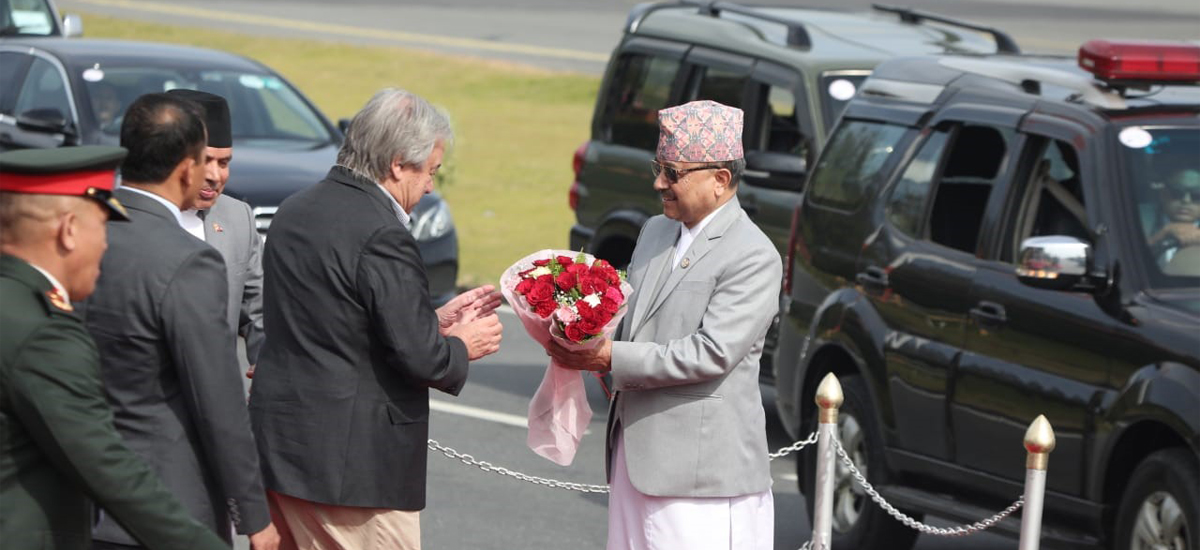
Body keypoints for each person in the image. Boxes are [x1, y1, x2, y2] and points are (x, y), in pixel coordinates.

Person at [249, 88, 503, 549]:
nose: (430, 187)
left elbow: (338, 319)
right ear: (398, 165)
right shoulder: (384, 233)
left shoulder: (294, 210)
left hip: (282, 450)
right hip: (352, 472)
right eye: (430, 171)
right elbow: (423, 359)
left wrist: (431, 320)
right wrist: (464, 343)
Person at [547, 100, 782, 550]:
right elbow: (631, 321)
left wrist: (609, 355)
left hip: (700, 482)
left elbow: (711, 353)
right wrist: (579, 334)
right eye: (659, 168)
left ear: (720, 179)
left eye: (673, 173)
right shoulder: (655, 232)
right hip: (634, 458)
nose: (659, 183)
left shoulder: (753, 255)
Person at [0, 146, 227, 550]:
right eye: (103, 227)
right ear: (68, 230)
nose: (106, 244)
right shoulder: (43, 334)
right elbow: (107, 467)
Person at [82, 93, 279, 550]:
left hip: (80, 494)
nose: (214, 175)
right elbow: (218, 399)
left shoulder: (84, 227)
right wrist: (253, 516)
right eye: (205, 160)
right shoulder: (189, 261)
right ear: (186, 166)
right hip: (164, 507)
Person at [165, 89, 265, 380]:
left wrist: (268, 369)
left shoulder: (238, 218)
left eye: (224, 163)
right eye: (205, 160)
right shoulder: (130, 217)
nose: (215, 175)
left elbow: (258, 310)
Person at [1147, 168, 1200, 274]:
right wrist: (1161, 234)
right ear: (1163, 195)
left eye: (1196, 195)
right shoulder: (1133, 219)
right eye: (1177, 193)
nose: (1186, 200)